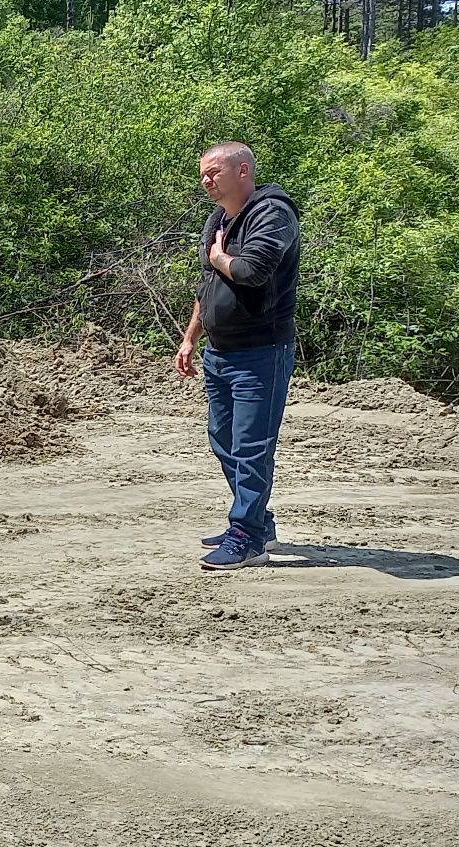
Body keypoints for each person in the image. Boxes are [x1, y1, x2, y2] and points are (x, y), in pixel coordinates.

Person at [172, 141, 301, 570]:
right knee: (223, 439)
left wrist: (220, 255)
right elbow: (208, 285)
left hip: (261, 350)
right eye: (203, 174)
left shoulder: (273, 214)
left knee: (252, 447)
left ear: (242, 170)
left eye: (214, 172)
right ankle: (258, 522)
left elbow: (251, 271)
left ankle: (246, 537)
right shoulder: (219, 218)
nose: (206, 181)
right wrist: (191, 337)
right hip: (220, 350)